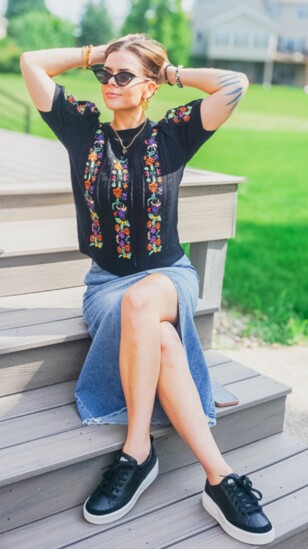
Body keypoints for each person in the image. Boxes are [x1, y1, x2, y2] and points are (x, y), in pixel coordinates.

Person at [20, 33, 274, 544]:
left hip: (168, 278)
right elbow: (32, 63)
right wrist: (97, 54)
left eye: (124, 76)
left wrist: (171, 71)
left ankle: (136, 452)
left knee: (144, 301)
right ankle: (220, 478)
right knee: (157, 335)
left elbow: (234, 83)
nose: (110, 84)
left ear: (150, 86)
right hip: (105, 286)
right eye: (104, 76)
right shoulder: (82, 131)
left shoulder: (173, 135)